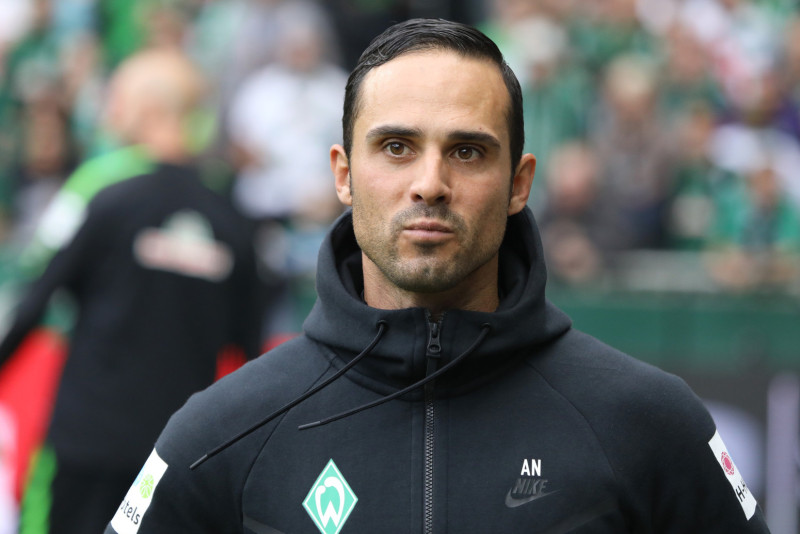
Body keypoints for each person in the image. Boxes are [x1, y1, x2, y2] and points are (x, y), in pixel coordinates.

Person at [107, 19, 771, 533]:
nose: (430, 183)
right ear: (343, 174)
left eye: (468, 151)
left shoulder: (648, 422)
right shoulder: (221, 432)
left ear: (519, 183)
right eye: (396, 147)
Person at [0, 47, 266, 533]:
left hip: (89, 438)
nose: (109, 111)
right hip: (176, 453)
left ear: (148, 108)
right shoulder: (232, 222)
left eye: (118, 97)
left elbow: (37, 294)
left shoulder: (102, 186)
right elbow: (250, 351)